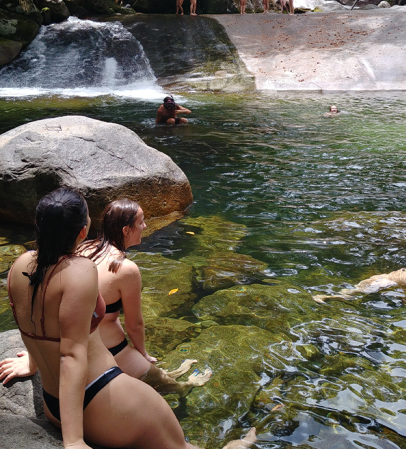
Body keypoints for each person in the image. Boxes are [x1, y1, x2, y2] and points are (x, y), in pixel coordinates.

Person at [0, 188, 250, 449]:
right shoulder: (80, 270)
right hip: (100, 398)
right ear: (83, 231)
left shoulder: (21, 264)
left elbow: (34, 317)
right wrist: (73, 441)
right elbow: (71, 355)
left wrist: (32, 365)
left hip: (54, 404)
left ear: (39, 225)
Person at [76, 199, 211, 396]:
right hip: (108, 350)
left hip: (77, 343)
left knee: (156, 374)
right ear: (126, 230)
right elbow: (135, 324)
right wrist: (143, 353)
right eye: (141, 222)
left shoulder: (84, 248)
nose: (145, 226)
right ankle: (186, 386)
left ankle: (169, 373)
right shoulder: (125, 269)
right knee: (162, 385)